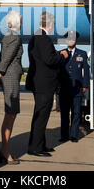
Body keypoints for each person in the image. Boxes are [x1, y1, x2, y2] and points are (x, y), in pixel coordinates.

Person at [26, 12, 68, 157]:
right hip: (44, 85)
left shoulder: (35, 37)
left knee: (40, 116)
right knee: (41, 117)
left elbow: (44, 58)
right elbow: (50, 60)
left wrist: (56, 55)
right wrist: (62, 56)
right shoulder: (44, 38)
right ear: (50, 24)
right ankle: (35, 148)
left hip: (38, 83)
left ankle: (40, 145)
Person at [0, 11, 23, 165]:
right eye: (21, 20)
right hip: (11, 78)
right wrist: (0, 75)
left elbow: (0, 58)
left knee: (10, 114)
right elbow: (5, 60)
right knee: (10, 115)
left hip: (8, 77)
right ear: (17, 22)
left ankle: (4, 150)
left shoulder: (7, 36)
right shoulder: (15, 37)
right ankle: (5, 152)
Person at [58, 31, 90, 143]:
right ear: (66, 41)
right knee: (64, 113)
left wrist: (85, 85)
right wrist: (57, 85)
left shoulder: (82, 54)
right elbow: (57, 71)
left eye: (73, 39)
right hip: (64, 88)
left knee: (76, 113)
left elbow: (86, 70)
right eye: (69, 39)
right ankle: (64, 135)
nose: (71, 40)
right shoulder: (60, 53)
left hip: (77, 89)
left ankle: (74, 135)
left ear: (75, 40)